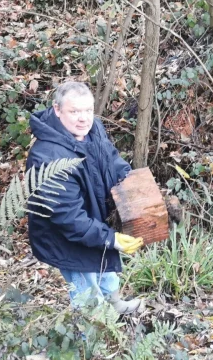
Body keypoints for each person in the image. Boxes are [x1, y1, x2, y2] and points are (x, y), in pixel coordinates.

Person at [25, 81, 144, 313]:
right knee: (86, 288)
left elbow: (112, 160)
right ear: (57, 110)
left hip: (95, 221)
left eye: (88, 110)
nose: (83, 118)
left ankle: (115, 305)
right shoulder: (47, 157)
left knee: (105, 271)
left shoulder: (93, 130)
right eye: (75, 111)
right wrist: (112, 239)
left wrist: (130, 182)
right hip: (64, 237)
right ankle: (94, 335)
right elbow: (68, 217)